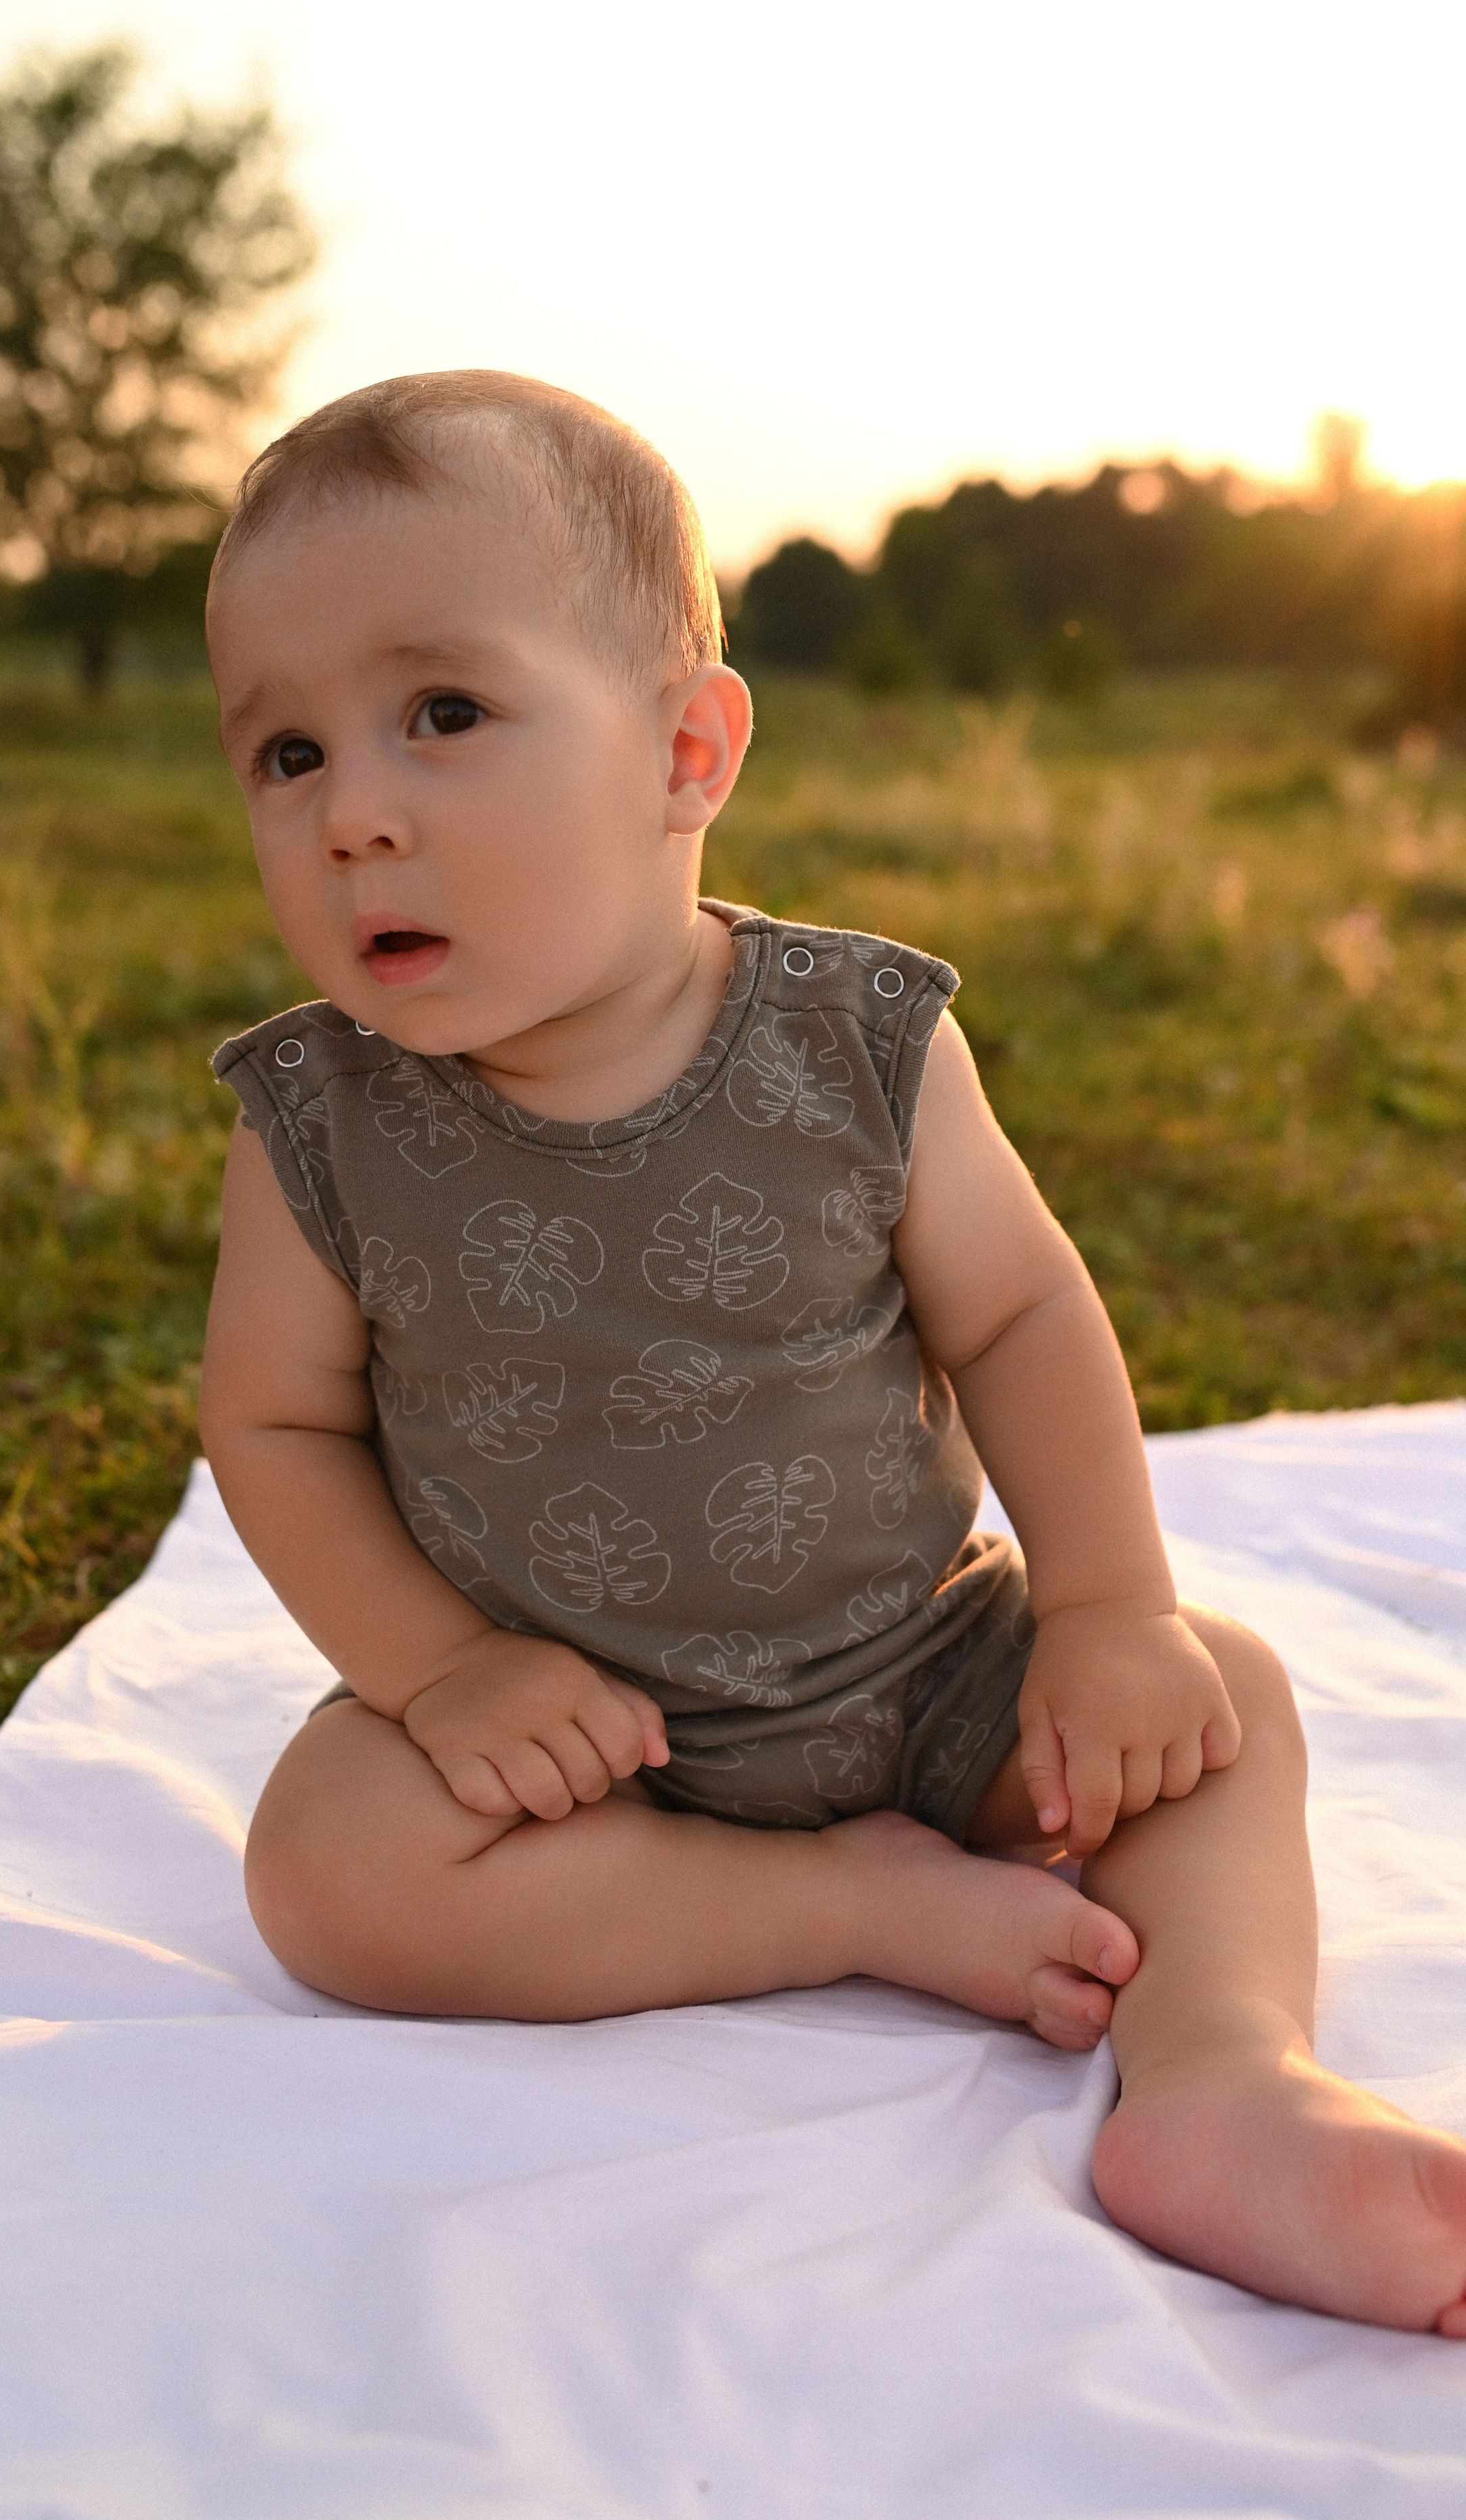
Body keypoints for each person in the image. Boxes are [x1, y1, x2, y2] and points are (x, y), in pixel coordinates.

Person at [199, 369, 1466, 2336]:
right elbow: (269, 1421)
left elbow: (1025, 1311)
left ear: (685, 749)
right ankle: (844, 1907)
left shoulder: (853, 1043)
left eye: (442, 712)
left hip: (929, 1671)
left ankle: (1221, 2082)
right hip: (587, 1753)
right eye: (284, 752)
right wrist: (442, 1676)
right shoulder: (321, 1123)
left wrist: (1110, 1607)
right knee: (322, 1860)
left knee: (1217, 1701)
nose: (354, 810)